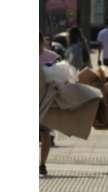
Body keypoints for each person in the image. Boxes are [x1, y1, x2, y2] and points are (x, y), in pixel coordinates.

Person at [39, 32, 60, 177]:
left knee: (45, 133)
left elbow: (61, 77)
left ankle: (42, 164)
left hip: (46, 100)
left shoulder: (52, 57)